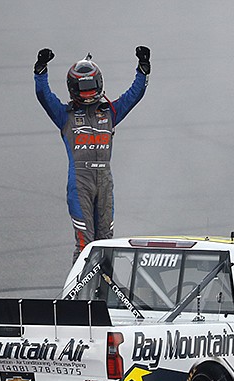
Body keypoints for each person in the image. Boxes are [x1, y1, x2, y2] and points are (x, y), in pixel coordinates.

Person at [33, 46, 150, 263]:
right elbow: (43, 95)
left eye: (90, 88)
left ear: (99, 85)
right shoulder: (64, 115)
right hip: (80, 182)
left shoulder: (110, 112)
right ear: (73, 88)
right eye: (82, 89)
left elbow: (135, 95)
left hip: (105, 181)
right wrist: (41, 70)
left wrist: (143, 69)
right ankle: (79, 293)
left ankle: (103, 293)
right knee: (85, 244)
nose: (87, 93)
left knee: (105, 242)